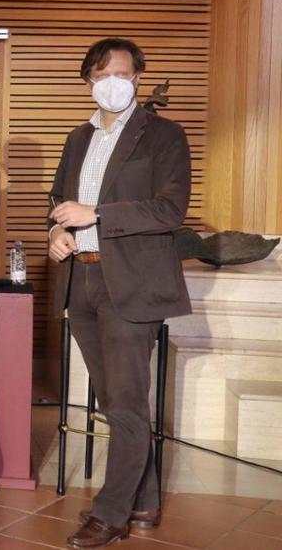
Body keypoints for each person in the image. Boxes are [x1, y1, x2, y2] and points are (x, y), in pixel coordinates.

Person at [48, 38, 191, 549]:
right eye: (103, 74)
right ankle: (146, 499)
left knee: (127, 403)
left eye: (125, 74)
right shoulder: (76, 138)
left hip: (133, 284)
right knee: (113, 400)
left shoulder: (164, 136)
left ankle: (111, 515)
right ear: (88, 80)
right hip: (81, 279)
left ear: (138, 78)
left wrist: (98, 215)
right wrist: (57, 232)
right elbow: (59, 199)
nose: (115, 83)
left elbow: (170, 210)